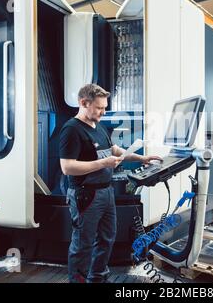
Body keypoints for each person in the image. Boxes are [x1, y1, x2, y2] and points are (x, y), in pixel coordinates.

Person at [59, 84, 161, 283]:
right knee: (83, 245)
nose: (103, 112)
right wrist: (102, 164)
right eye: (99, 108)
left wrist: (141, 158)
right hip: (85, 195)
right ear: (83, 103)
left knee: (106, 239)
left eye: (104, 107)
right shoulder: (71, 129)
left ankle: (98, 278)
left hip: (106, 193)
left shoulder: (99, 126)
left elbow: (114, 149)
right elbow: (67, 167)